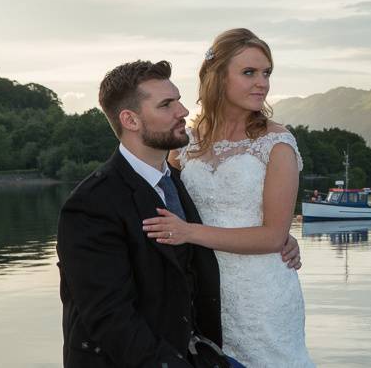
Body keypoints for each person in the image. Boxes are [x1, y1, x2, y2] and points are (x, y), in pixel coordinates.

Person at [56, 60, 301, 367]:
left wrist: (277, 237)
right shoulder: (91, 205)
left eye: (179, 100)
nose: (183, 111)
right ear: (130, 120)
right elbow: (111, 320)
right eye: (166, 105)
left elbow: (213, 231)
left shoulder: (178, 181)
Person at [142, 29, 314, 367]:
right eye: (249, 72)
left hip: (262, 292)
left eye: (266, 73)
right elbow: (159, 202)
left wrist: (189, 232)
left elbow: (272, 236)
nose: (262, 82)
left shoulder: (277, 144)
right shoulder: (185, 143)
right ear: (218, 77)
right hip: (202, 289)